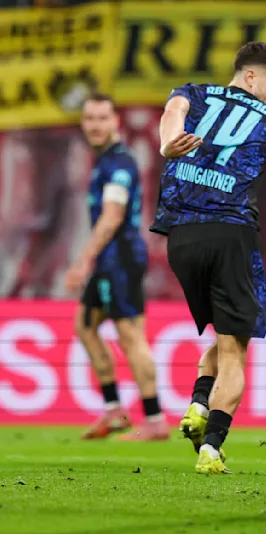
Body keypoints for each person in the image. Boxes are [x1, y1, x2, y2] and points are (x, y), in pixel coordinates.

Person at [151, 41, 266, 474]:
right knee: (236, 350)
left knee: (225, 337)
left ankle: (199, 403)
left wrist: (167, 144)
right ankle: (211, 447)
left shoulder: (193, 92)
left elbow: (173, 112)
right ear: (251, 76)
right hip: (230, 234)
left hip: (180, 239)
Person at [65, 93, 168, 442]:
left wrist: (83, 260)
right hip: (109, 260)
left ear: (115, 121)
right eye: (89, 118)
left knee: (130, 335)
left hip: (120, 259)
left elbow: (112, 217)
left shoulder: (119, 165)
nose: (95, 125)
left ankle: (154, 419)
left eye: (102, 118)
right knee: (85, 326)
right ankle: (113, 410)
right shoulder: (106, 161)